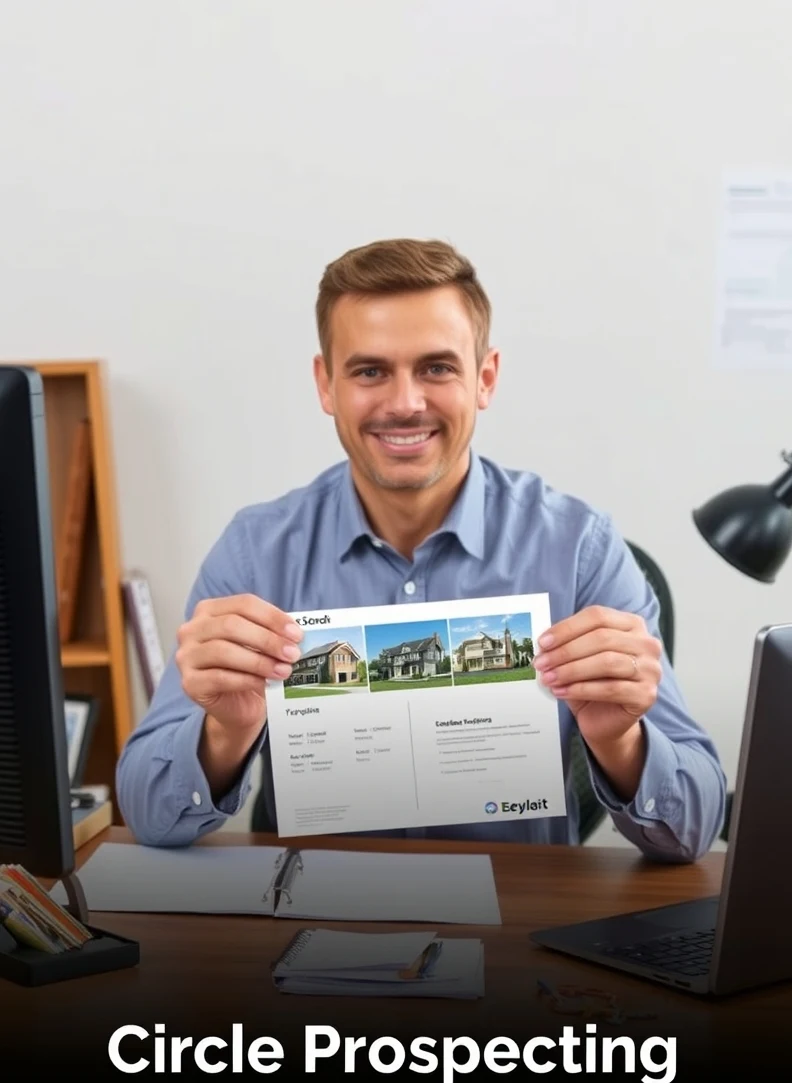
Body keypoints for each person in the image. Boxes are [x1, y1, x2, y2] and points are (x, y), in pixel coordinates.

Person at [116, 237, 727, 861]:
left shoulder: (579, 550)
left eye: (436, 368)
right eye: (370, 371)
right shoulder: (255, 554)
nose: (405, 403)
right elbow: (148, 816)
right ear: (327, 384)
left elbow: (696, 830)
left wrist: (621, 741)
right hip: (309, 920)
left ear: (484, 378)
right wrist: (224, 731)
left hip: (520, 927)